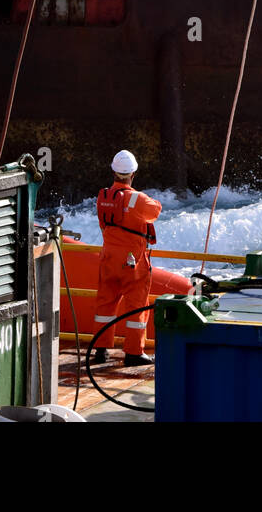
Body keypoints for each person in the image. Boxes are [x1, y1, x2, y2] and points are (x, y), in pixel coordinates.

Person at [92, 149, 162, 367]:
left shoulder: (103, 197)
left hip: (108, 256)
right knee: (136, 305)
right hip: (132, 261)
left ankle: (101, 349)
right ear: (133, 173)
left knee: (105, 303)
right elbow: (156, 211)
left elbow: (104, 224)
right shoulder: (137, 199)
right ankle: (133, 352)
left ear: (113, 171)